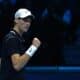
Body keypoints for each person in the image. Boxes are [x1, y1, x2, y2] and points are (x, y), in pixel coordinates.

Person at [1, 8, 41, 80]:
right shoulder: (12, 39)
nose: (28, 23)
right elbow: (17, 65)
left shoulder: (15, 38)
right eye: (25, 20)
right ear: (16, 20)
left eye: (29, 21)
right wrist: (33, 47)